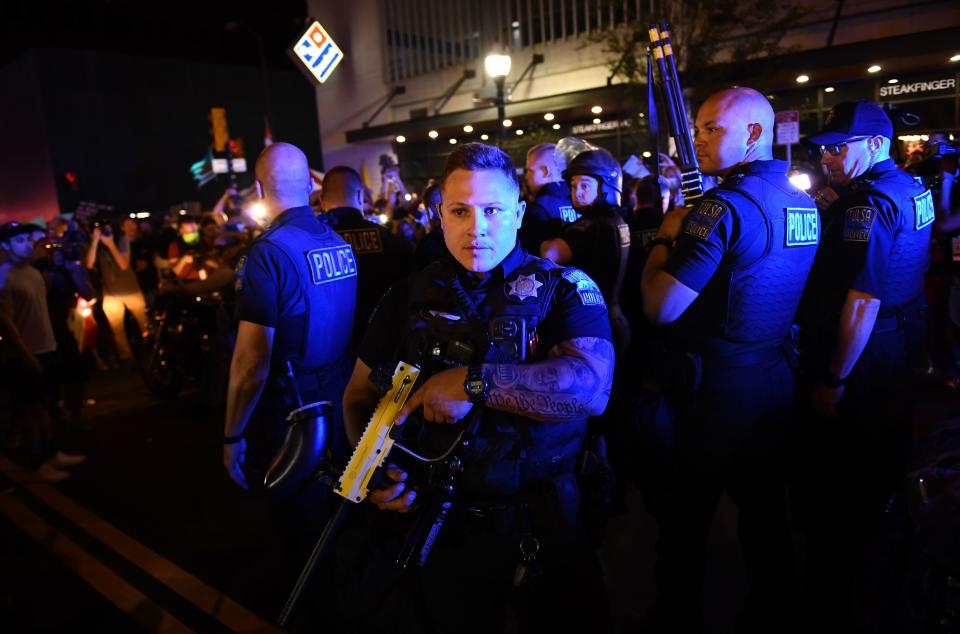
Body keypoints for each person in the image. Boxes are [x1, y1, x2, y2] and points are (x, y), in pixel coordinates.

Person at [337, 142, 615, 633]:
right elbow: (359, 394)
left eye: (492, 210)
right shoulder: (407, 296)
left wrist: (471, 384)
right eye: (460, 211)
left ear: (519, 212)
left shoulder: (565, 287)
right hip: (444, 525)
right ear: (438, 214)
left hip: (545, 520)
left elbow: (590, 388)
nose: (476, 226)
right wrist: (374, 471)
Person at [639, 87, 820, 633]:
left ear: (754, 134)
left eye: (711, 128)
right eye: (697, 128)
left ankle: (677, 620)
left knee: (685, 520)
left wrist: (665, 240)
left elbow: (659, 307)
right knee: (765, 513)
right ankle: (775, 608)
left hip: (715, 390)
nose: (696, 139)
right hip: (774, 378)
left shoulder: (719, 208)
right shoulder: (800, 200)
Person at [793, 99, 934, 629]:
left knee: (842, 484)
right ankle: (881, 578)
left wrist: (834, 379)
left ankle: (835, 597)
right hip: (900, 347)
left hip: (865, 355)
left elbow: (861, 300)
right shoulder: (909, 186)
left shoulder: (867, 205)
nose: (826, 157)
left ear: (876, 144)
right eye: (823, 149)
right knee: (883, 472)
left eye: (837, 148)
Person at [221, 143, 357, 567]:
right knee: (340, 524)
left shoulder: (269, 252)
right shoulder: (337, 242)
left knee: (301, 530)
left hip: (293, 410)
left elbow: (251, 363)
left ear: (260, 187)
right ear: (309, 185)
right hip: (341, 397)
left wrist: (231, 435)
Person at [0, 222, 87, 482]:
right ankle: (36, 462)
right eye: (19, 241)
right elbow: (7, 324)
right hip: (25, 354)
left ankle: (51, 452)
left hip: (46, 348)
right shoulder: (4, 276)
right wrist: (25, 355)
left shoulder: (34, 273)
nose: (28, 244)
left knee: (46, 405)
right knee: (30, 409)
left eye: (29, 239)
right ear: (5, 246)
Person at [320, 165, 412, 348]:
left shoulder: (311, 243)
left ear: (322, 200)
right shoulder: (391, 240)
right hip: (385, 346)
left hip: (331, 350)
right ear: (361, 195)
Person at [84, 216, 148, 365]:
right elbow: (89, 264)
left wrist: (111, 243)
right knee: (117, 330)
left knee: (144, 323)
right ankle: (127, 358)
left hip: (131, 290)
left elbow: (124, 265)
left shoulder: (121, 240)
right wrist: (94, 241)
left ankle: (151, 350)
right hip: (111, 294)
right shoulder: (96, 245)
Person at [518, 143, 578, 254]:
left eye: (530, 171)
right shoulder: (578, 203)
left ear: (545, 172)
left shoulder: (536, 210)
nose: (526, 176)